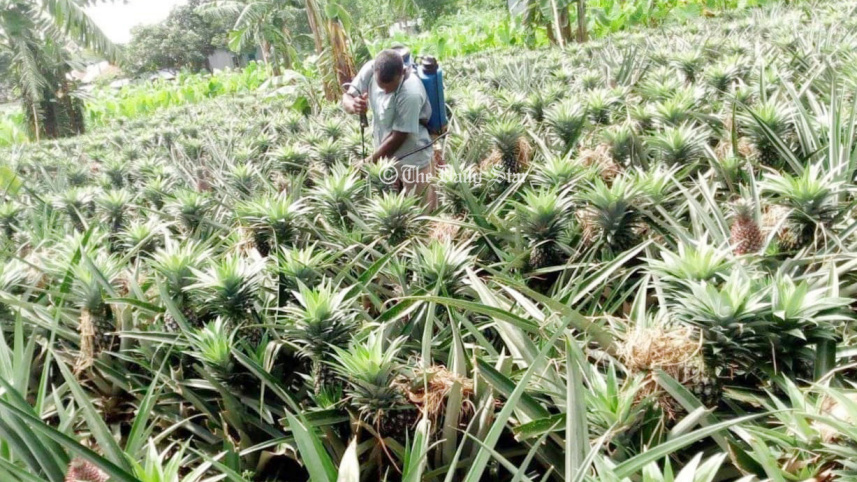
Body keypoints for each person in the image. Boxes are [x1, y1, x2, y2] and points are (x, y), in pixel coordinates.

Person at [342, 48, 436, 208]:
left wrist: (367, 163)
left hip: (412, 159)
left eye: (390, 88)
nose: (384, 91)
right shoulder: (370, 69)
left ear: (402, 72)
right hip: (384, 158)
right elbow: (347, 96)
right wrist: (353, 105)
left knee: (423, 212)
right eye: (381, 87)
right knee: (395, 210)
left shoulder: (411, 93)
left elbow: (398, 137)